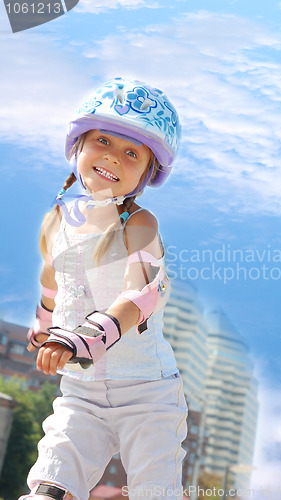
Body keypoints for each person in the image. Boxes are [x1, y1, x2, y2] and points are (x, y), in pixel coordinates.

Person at [21, 77, 188, 500]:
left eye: (131, 153)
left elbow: (142, 296)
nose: (113, 157)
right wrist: (42, 326)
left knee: (154, 490)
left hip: (149, 391)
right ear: (78, 144)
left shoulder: (141, 224)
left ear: (148, 173)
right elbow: (51, 283)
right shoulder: (55, 222)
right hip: (83, 391)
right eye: (102, 141)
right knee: (50, 484)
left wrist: (84, 337)